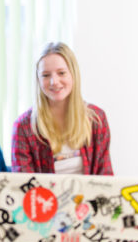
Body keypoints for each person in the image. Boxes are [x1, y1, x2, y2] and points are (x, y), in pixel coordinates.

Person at [11, 42, 113, 175]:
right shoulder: (23, 127)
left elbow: (105, 177)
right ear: (38, 80)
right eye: (46, 75)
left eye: (61, 73)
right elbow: (22, 185)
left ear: (73, 74)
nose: (54, 81)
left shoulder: (97, 119)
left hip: (89, 196)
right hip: (44, 196)